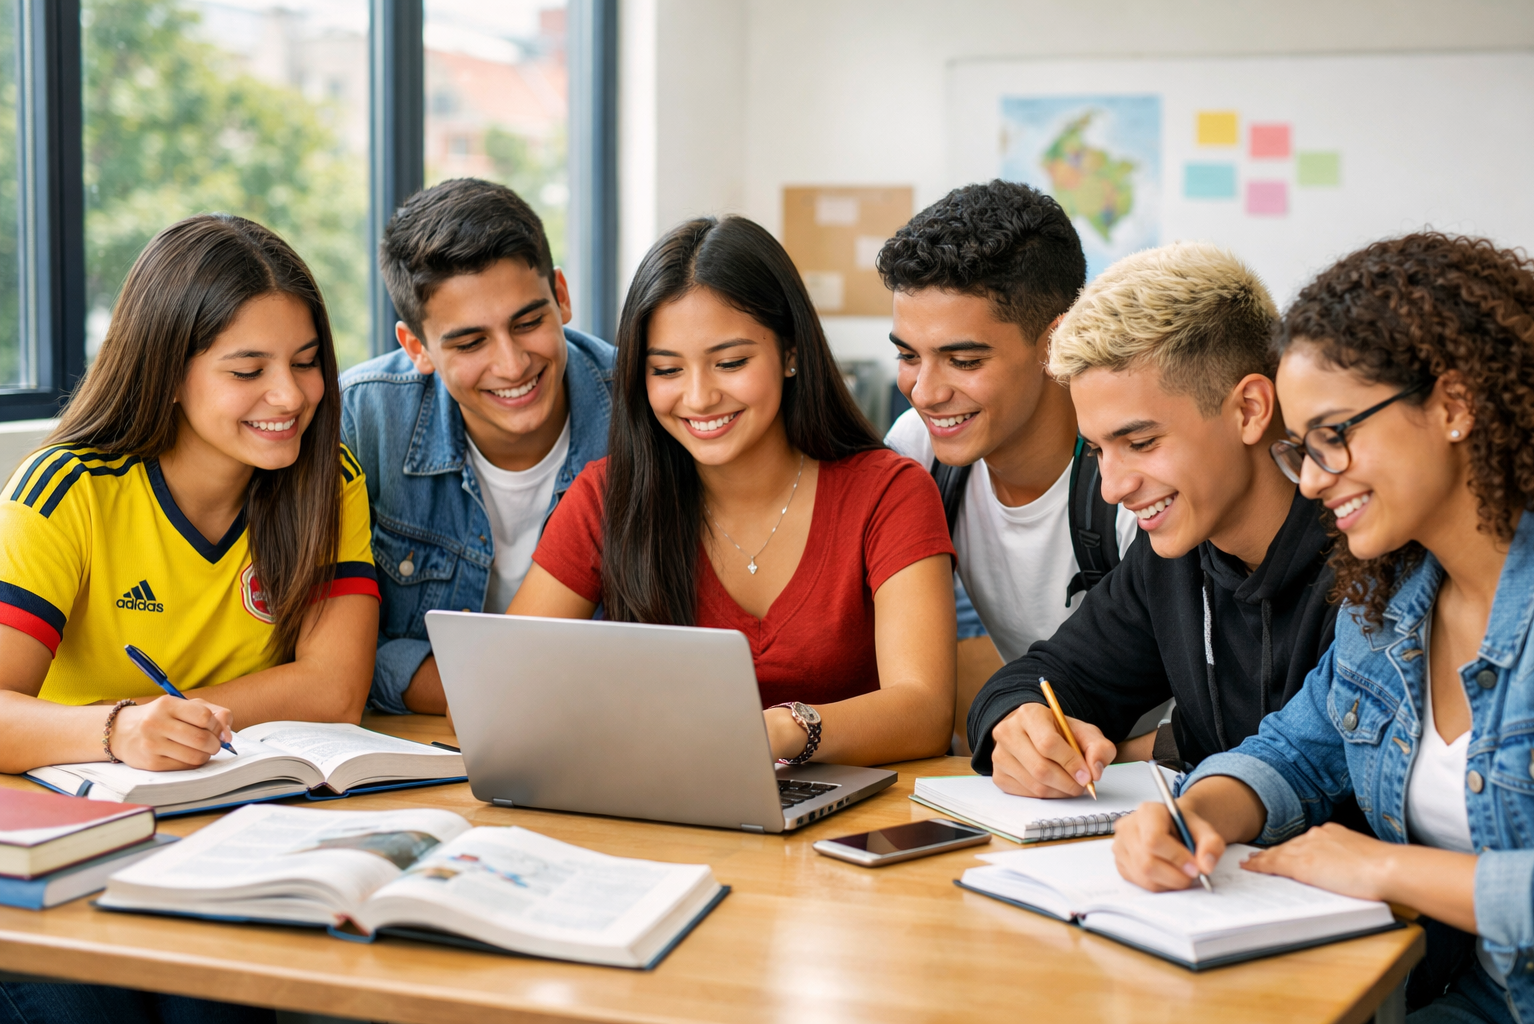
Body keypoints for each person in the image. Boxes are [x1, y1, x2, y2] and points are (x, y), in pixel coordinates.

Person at [1112, 233, 1534, 1023]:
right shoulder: (1392, 602)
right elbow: (1291, 750)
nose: (1309, 478)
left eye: (1335, 436)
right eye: (1300, 449)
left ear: (1453, 404)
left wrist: (1383, 868)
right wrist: (1196, 814)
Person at [0, 214, 380, 1023]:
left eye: (307, 363)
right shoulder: (65, 492)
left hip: (227, 829)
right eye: (250, 370)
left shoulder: (328, 479)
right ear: (169, 372)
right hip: (67, 840)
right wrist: (121, 728)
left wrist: (188, 722)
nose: (291, 397)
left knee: (218, 1006)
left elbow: (335, 688)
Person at [510, 216, 957, 766]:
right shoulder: (608, 498)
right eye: (667, 370)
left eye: (730, 363)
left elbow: (925, 713)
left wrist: (784, 731)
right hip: (662, 809)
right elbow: (509, 684)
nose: (698, 398)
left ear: (791, 353)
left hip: (841, 823)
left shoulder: (889, 493)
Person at [969, 241, 1341, 795]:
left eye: (1140, 442)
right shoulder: (1172, 558)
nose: (1114, 487)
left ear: (1250, 410)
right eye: (1096, 450)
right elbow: (1046, 675)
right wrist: (1018, 722)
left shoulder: (1363, 560)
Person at [340, 178, 615, 717]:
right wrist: (494, 700)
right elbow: (329, 651)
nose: (512, 365)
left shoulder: (643, 410)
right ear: (417, 347)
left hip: (599, 736)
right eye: (470, 342)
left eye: (529, 322)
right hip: (422, 745)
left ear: (561, 296)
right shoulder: (363, 419)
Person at [878, 180, 1138, 750]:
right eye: (906, 355)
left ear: (1056, 342)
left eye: (963, 360)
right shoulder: (917, 453)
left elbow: (1225, 723)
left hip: (1158, 780)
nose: (923, 393)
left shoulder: (1131, 482)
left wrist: (1085, 760)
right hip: (1039, 771)